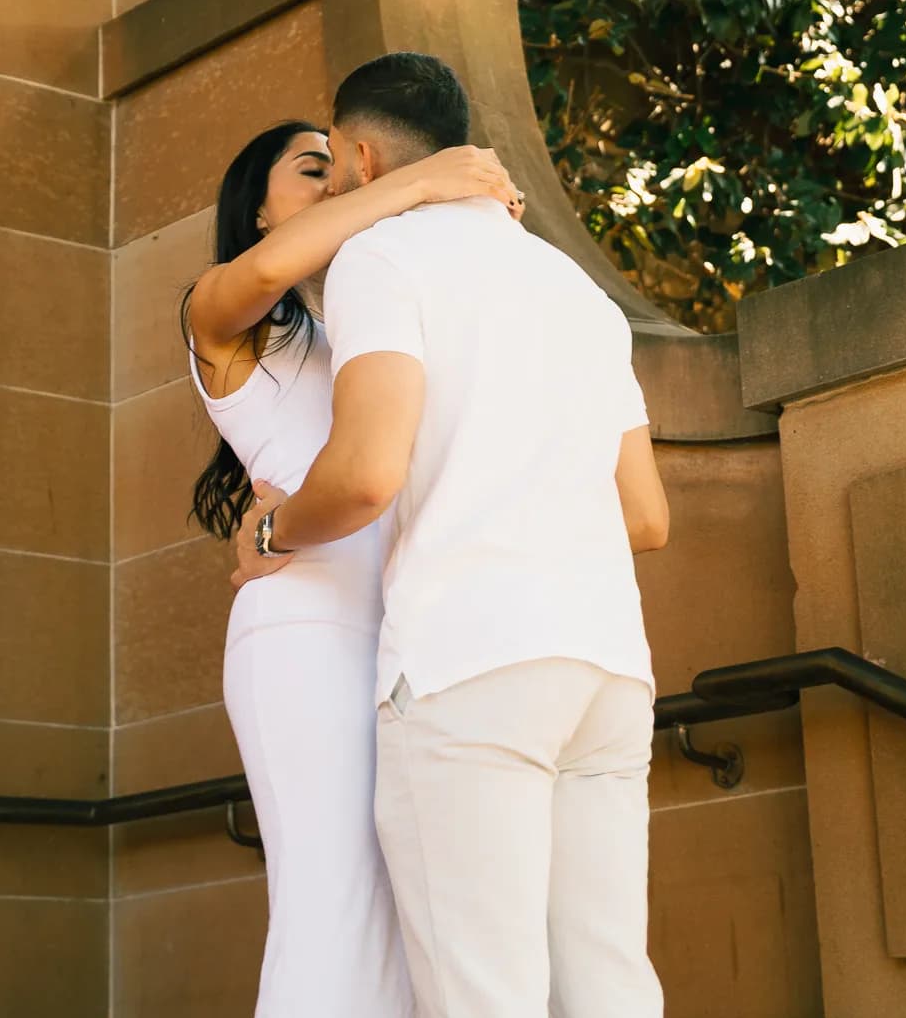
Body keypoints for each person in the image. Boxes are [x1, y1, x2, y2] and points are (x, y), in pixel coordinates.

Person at [233, 52, 671, 1018]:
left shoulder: (383, 260)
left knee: (484, 997)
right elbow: (647, 517)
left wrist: (270, 532)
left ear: (357, 155)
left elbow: (363, 475)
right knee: (607, 987)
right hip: (607, 672)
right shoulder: (582, 296)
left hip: (469, 663)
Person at [182, 118, 523, 1017]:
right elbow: (260, 277)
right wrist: (418, 182)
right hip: (305, 632)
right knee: (333, 904)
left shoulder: (379, 318)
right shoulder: (229, 317)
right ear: (257, 208)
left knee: (414, 921)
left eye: (345, 168)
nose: (336, 184)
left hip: (409, 633)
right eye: (312, 170)